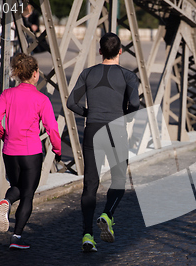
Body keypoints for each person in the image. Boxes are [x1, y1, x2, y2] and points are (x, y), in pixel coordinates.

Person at [67, 32, 140, 252]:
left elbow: (71, 102)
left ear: (100, 51)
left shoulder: (88, 73)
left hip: (93, 130)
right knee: (118, 180)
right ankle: (107, 216)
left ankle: (87, 235)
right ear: (120, 51)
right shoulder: (129, 76)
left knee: (90, 184)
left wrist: (87, 111)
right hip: (116, 130)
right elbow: (135, 105)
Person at [0, 53, 61, 250]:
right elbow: (52, 128)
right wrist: (57, 148)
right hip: (31, 152)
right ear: (36, 74)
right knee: (28, 194)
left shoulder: (7, 95)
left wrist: (3, 135)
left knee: (16, 186)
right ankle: (16, 237)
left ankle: (6, 200)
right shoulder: (41, 99)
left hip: (10, 151)